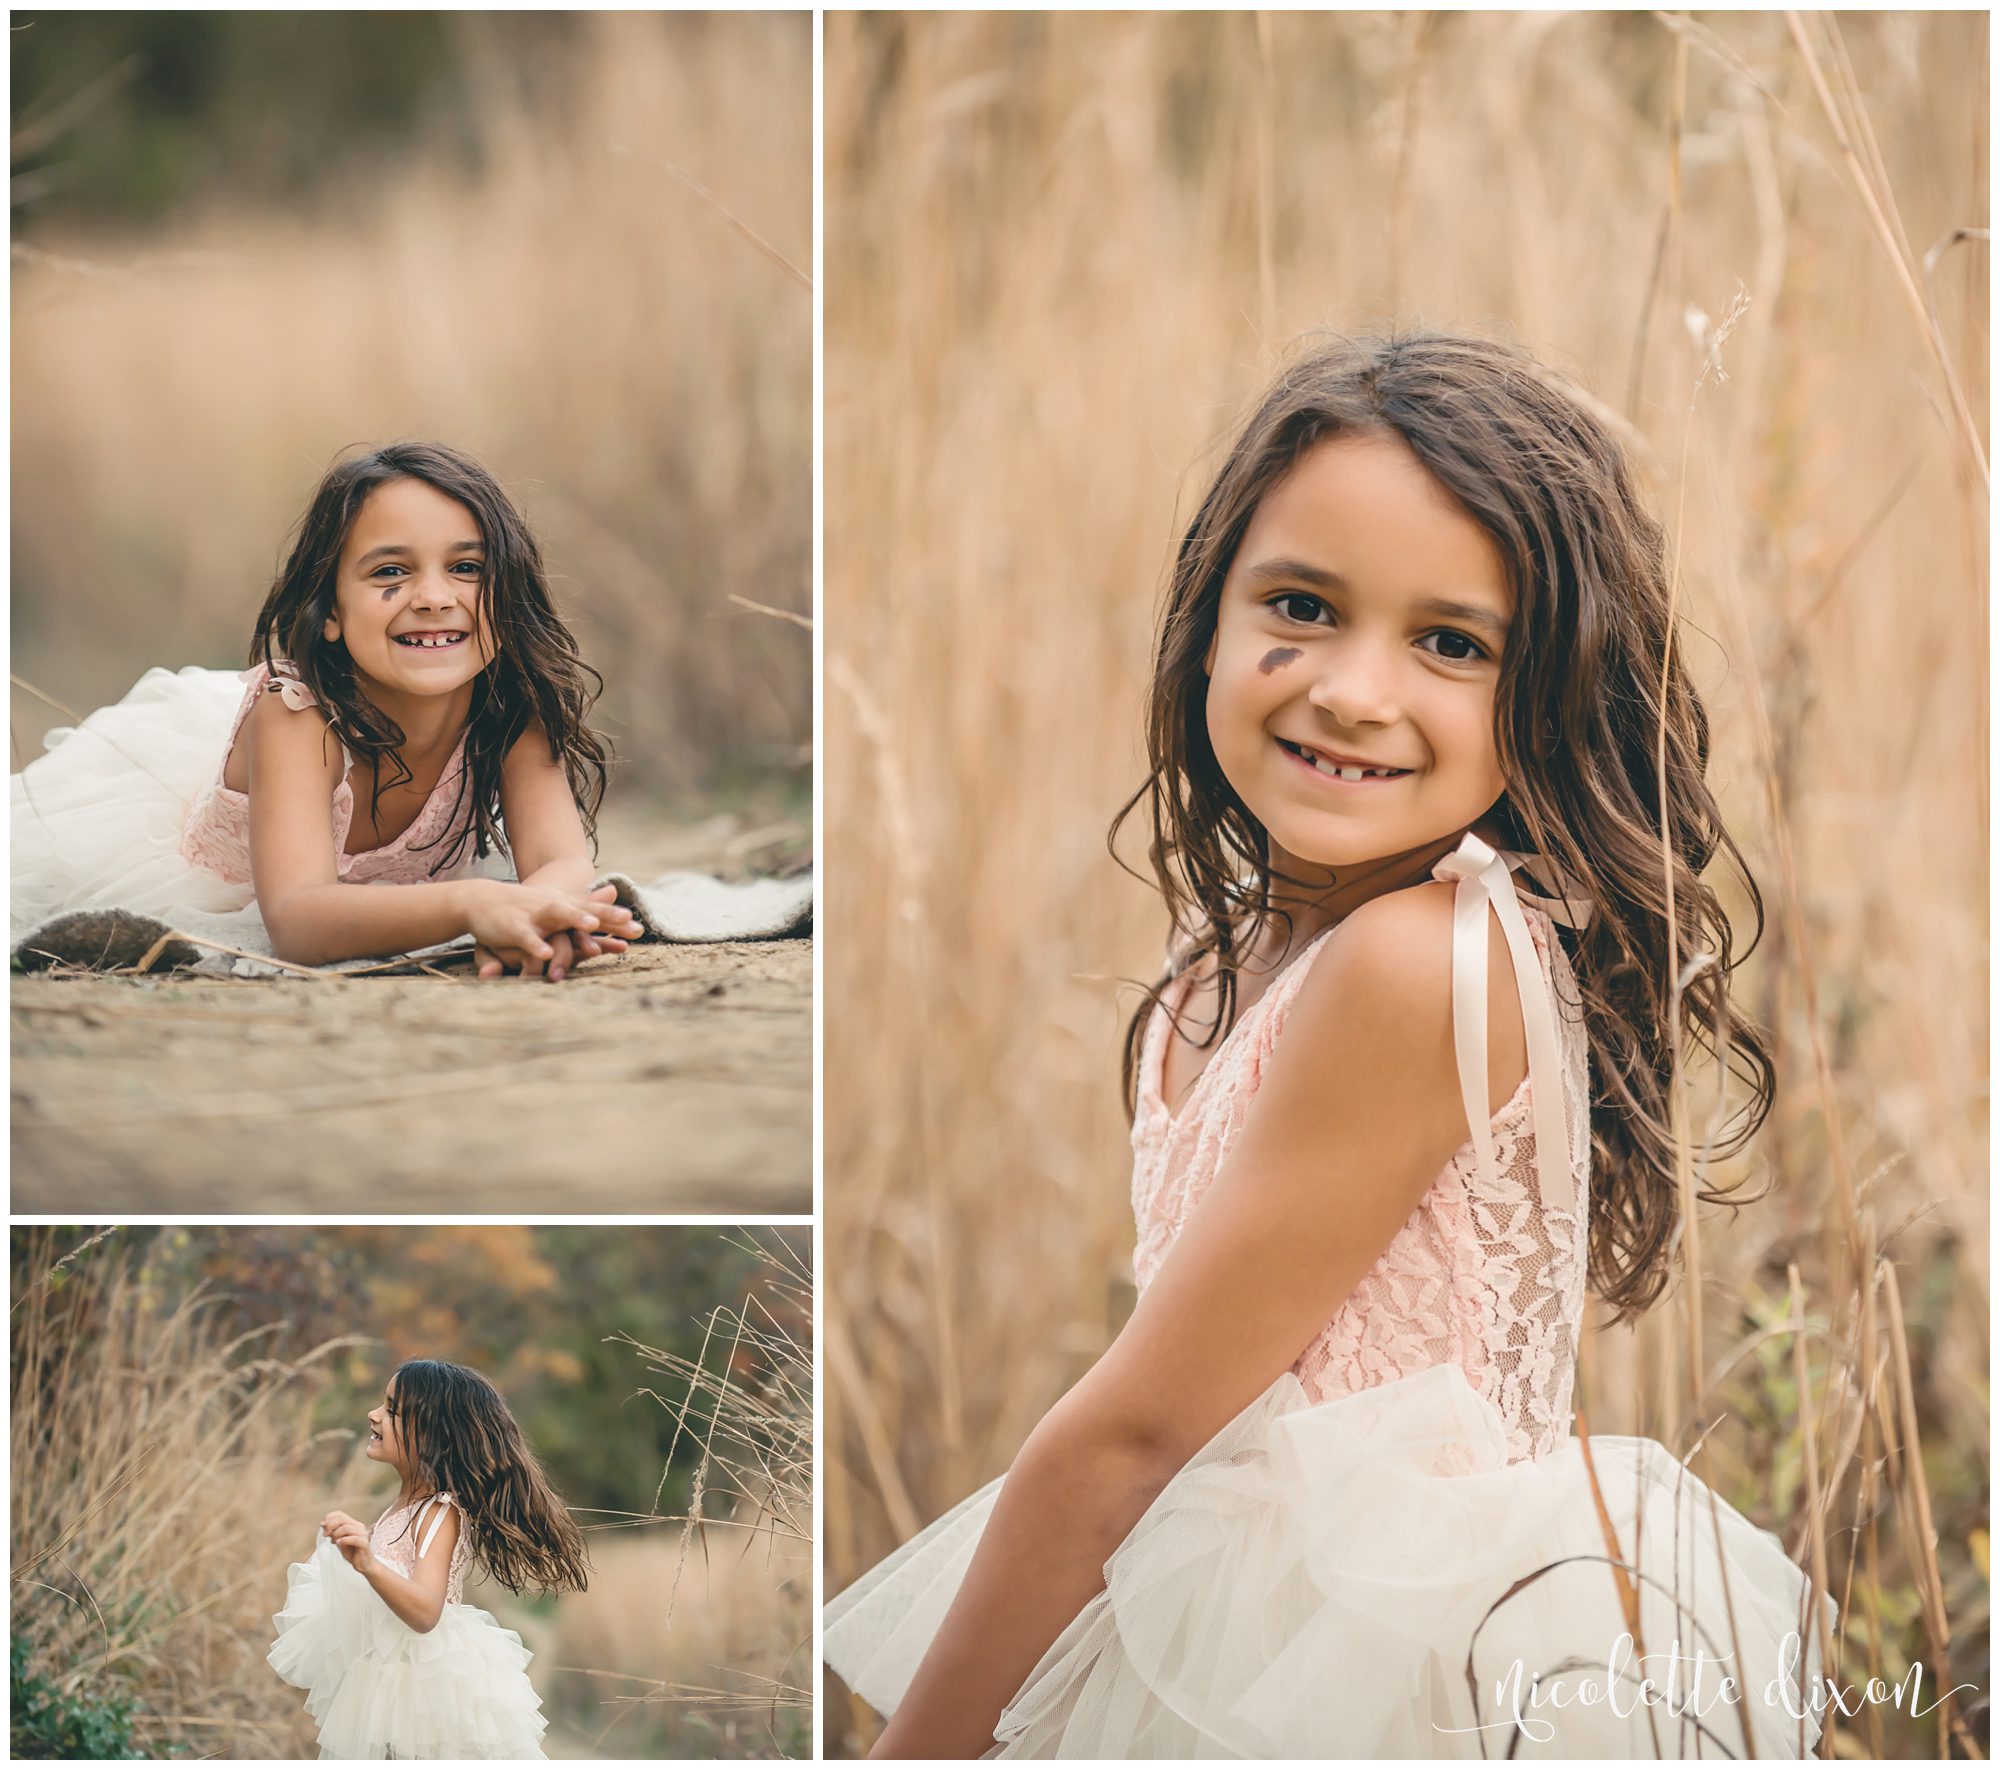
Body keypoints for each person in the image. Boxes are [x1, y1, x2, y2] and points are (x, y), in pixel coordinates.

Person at [825, 331, 1832, 1758]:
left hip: (1361, 1663)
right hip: (1231, 1622)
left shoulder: (1415, 961)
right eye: (1301, 604)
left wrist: (912, 1749)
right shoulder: (1241, 940)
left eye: (1450, 642)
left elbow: (1130, 1437)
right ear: (1210, 618)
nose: (1354, 690)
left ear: (1549, 689)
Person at [11, 441, 641, 976]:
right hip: (214, 884)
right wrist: (476, 904)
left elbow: (561, 862)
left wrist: (543, 917)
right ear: (331, 613)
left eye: (468, 567)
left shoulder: (510, 709)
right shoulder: (296, 719)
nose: (432, 596)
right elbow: (300, 921)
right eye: (389, 571)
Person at [269, 1358, 589, 1759]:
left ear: (432, 1436)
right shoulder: (403, 1508)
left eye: (392, 1410)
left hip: (421, 1688)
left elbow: (424, 1611)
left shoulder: (439, 1512)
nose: (374, 1415)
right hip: (388, 1679)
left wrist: (367, 1563)